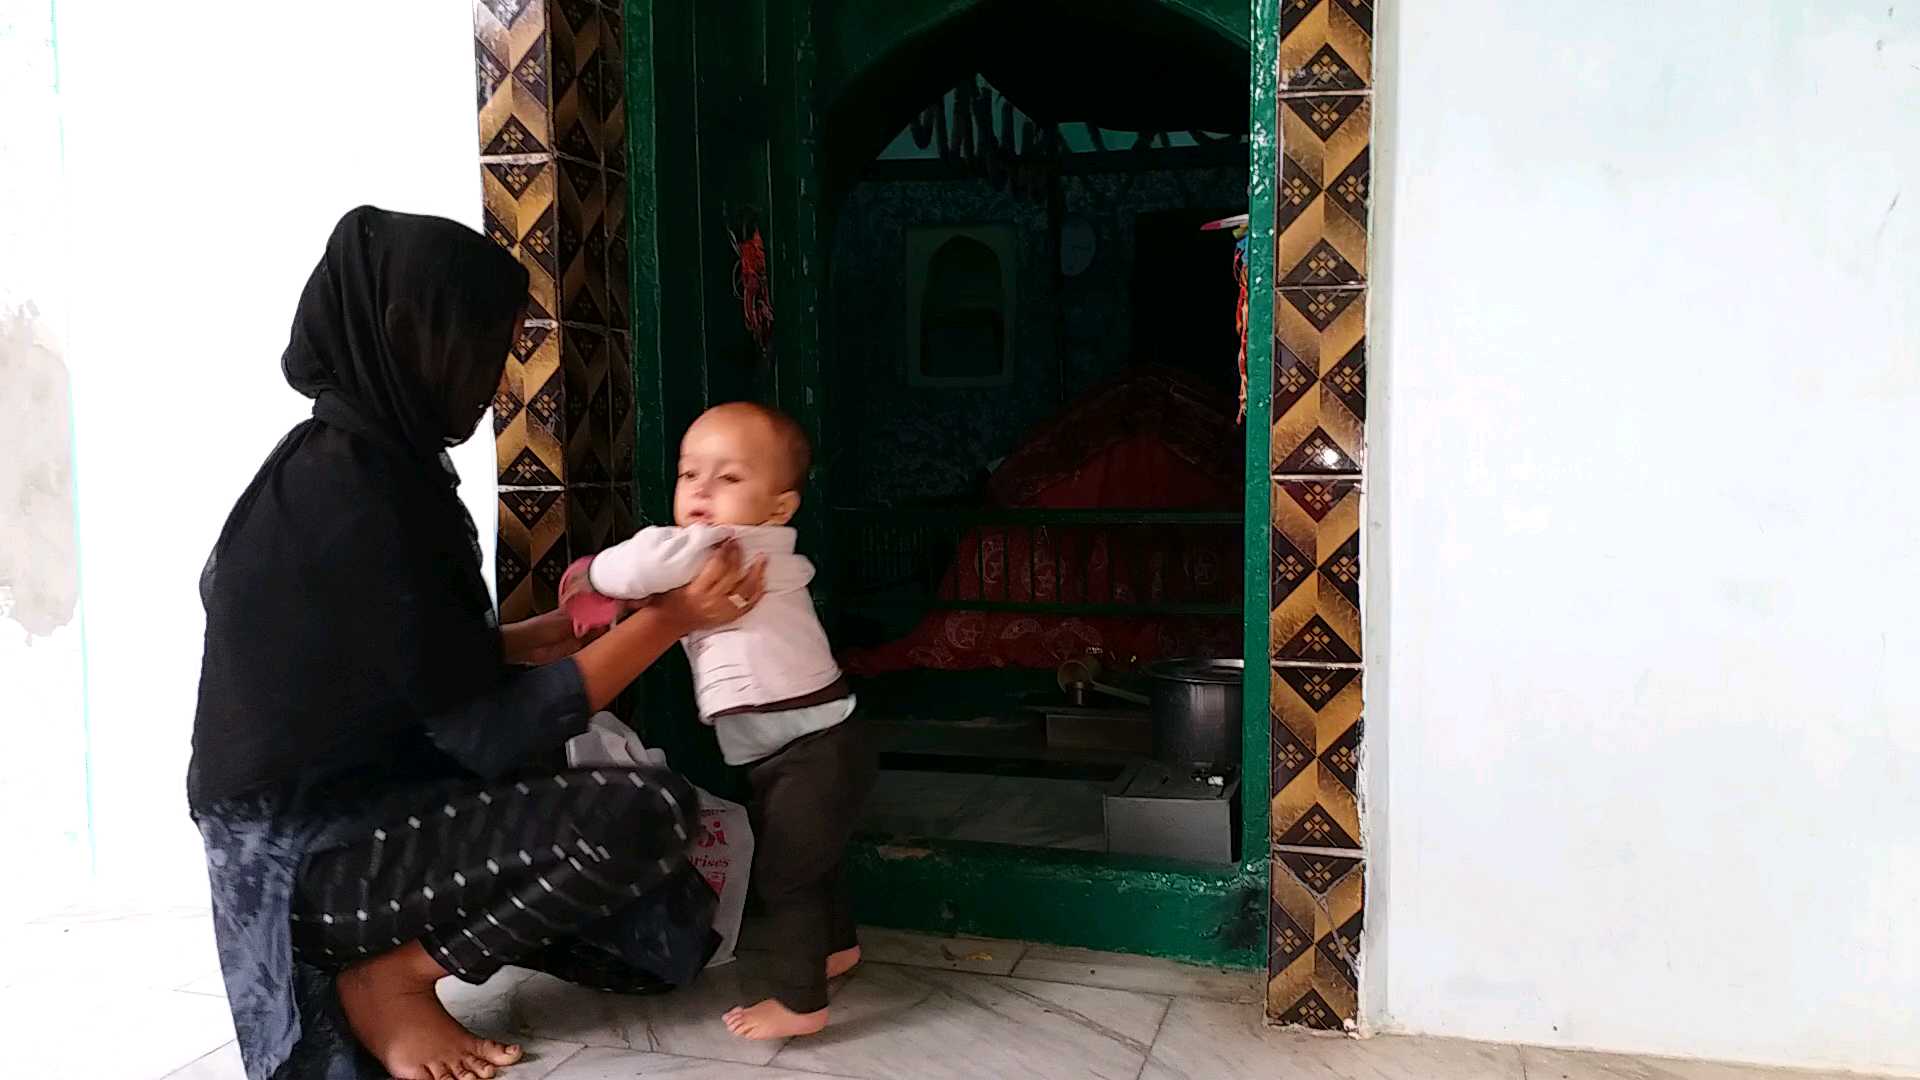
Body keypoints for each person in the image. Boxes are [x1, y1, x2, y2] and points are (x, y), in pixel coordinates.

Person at [188, 206, 768, 1080]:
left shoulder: (375, 463)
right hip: (302, 859)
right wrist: (673, 619)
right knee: (642, 814)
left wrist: (562, 629)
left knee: (662, 945)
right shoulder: (345, 495)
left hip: (374, 799)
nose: (495, 376)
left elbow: (412, 665)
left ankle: (404, 960)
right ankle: (391, 982)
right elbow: (488, 731)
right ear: (409, 335)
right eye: (483, 344)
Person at [560, 402, 876, 1041]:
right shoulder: (743, 546)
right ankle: (836, 949)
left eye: (729, 478)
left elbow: (644, 562)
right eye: (689, 474)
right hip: (811, 746)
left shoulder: (720, 545)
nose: (702, 490)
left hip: (811, 751)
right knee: (814, 863)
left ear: (779, 508)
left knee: (787, 876)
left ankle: (799, 1002)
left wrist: (587, 576)